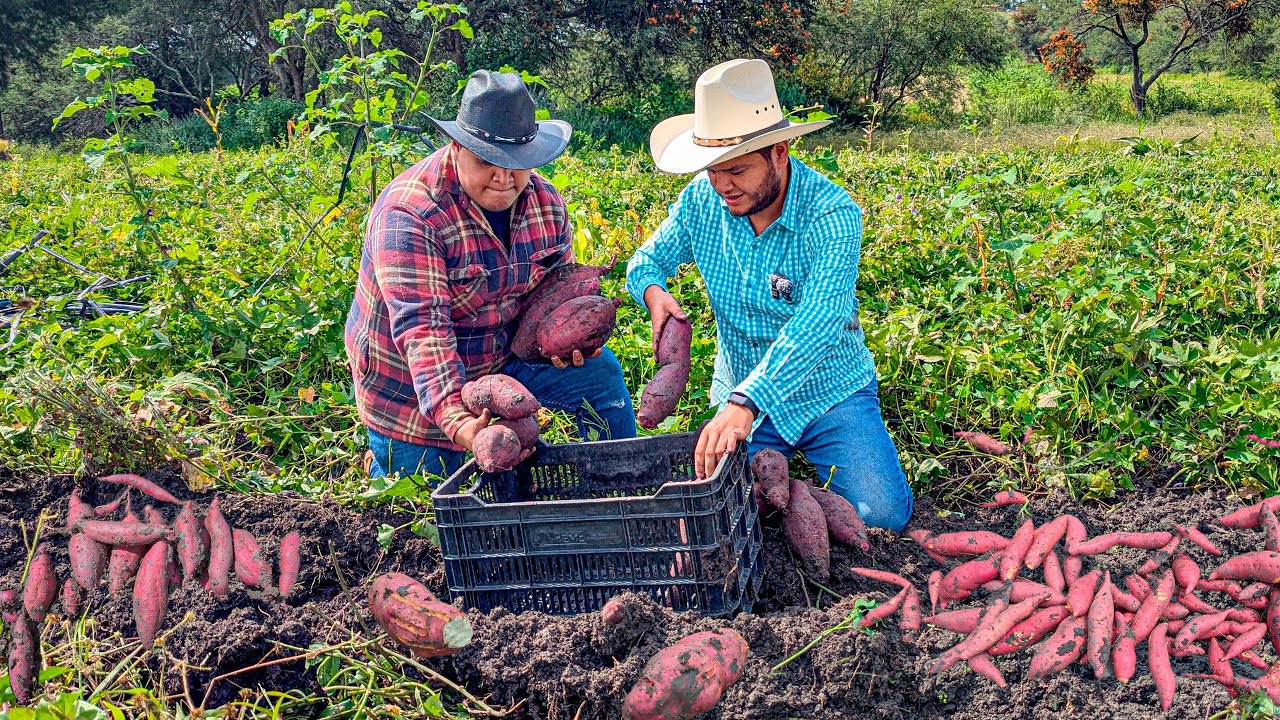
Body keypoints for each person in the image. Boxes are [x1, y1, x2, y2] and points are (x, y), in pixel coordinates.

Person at [626, 59, 912, 531]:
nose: (721, 186)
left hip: (829, 390)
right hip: (741, 389)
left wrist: (746, 403)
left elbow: (820, 319)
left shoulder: (832, 214)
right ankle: (789, 487)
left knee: (879, 518)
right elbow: (646, 259)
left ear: (779, 151)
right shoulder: (703, 199)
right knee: (718, 518)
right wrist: (653, 291)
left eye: (736, 170)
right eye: (712, 170)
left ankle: (810, 493)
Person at [346, 70, 636, 480]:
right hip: (412, 395)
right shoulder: (411, 214)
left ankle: (621, 485)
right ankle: (386, 460)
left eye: (516, 164)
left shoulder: (544, 202)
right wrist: (464, 425)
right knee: (428, 510)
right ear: (457, 147)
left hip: (501, 361)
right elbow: (423, 332)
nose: (504, 178)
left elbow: (554, 293)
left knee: (599, 374)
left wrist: (564, 340)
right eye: (487, 161)